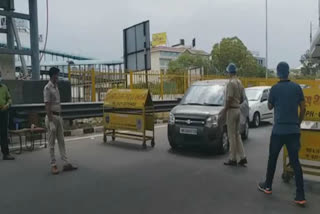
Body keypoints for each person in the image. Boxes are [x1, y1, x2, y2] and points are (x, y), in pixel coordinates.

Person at [258, 62, 306, 206]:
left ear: (278, 73)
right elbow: (303, 108)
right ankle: (300, 196)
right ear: (288, 72)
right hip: (293, 131)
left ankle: (268, 186)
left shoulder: (274, 89)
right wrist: (298, 123)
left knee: (272, 158)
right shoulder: (297, 88)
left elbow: (269, 106)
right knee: (295, 162)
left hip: (278, 131)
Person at [44, 67, 78, 175]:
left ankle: (66, 163)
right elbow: (47, 106)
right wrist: (50, 122)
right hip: (52, 117)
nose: (58, 76)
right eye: (57, 75)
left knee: (62, 141)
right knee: (51, 143)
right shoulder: (48, 88)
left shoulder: (56, 86)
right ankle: (53, 165)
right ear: (53, 75)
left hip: (58, 116)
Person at [223, 63, 248, 167]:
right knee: (237, 135)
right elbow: (242, 98)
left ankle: (232, 159)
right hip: (238, 109)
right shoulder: (239, 82)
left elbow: (229, 98)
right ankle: (242, 157)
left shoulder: (230, 83)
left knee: (231, 136)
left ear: (229, 72)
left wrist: (225, 110)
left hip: (232, 110)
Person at [0, 75, 15, 160]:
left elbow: (9, 99)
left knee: (4, 133)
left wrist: (7, 105)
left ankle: (6, 154)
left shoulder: (4, 87)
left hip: (3, 112)